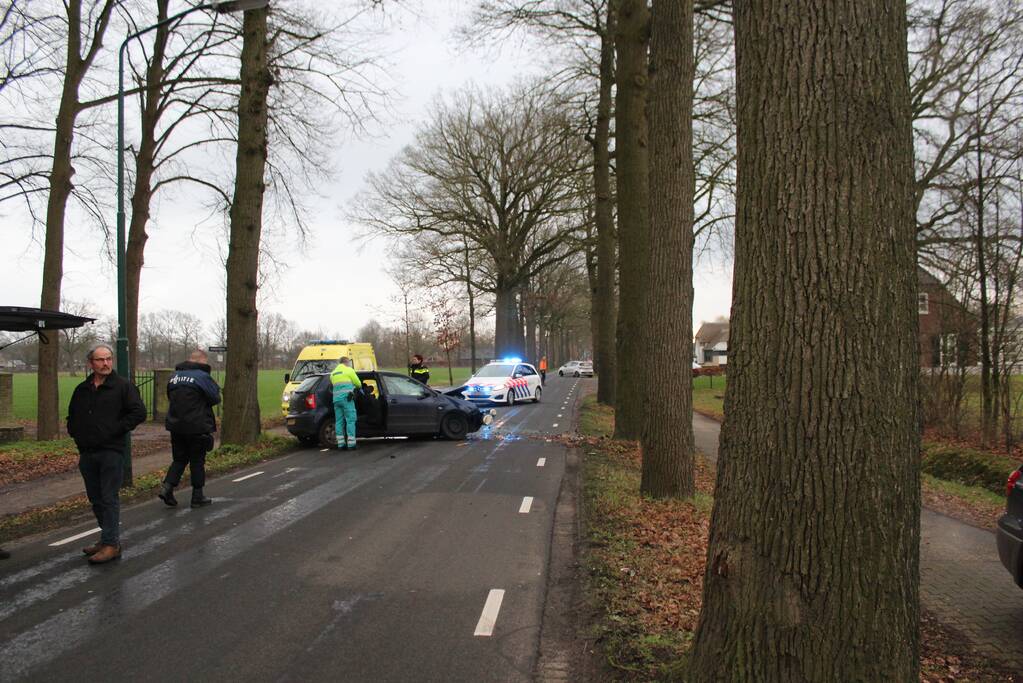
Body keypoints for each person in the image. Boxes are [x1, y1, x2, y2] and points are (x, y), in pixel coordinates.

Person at [66, 343, 147, 564]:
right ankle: (106, 538)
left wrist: (115, 430)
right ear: (91, 363)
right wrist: (75, 432)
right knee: (96, 499)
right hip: (87, 452)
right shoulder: (82, 389)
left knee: (109, 497)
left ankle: (111, 544)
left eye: (108, 359)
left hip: (111, 451)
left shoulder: (123, 387)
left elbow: (138, 412)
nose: (105, 363)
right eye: (100, 360)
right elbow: (72, 415)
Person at [158, 349, 221, 508]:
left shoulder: (174, 377)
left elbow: (170, 396)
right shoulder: (202, 377)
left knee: (179, 459)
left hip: (176, 425)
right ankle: (197, 496)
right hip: (197, 426)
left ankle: (167, 487)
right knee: (197, 461)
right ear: (201, 361)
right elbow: (215, 398)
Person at [329, 356, 362, 449]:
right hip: (347, 399)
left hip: (336, 400)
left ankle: (341, 444)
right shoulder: (349, 370)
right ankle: (351, 444)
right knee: (350, 420)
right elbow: (358, 384)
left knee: (339, 421)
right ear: (346, 362)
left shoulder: (333, 374)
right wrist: (354, 386)